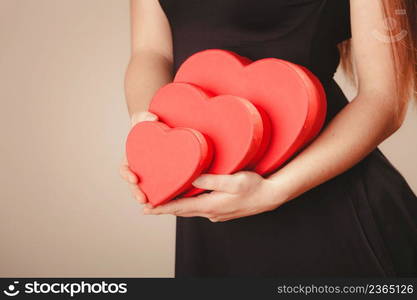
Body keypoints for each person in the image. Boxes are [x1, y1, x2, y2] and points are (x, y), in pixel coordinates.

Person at [120, 0, 417, 277]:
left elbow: (384, 98)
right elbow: (151, 52)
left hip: (325, 196)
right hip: (208, 198)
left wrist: (274, 190)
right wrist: (150, 131)